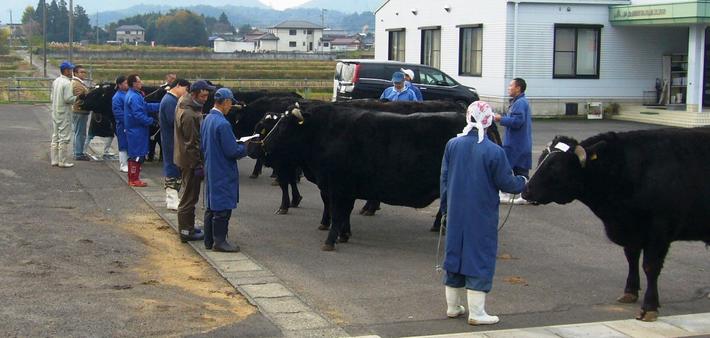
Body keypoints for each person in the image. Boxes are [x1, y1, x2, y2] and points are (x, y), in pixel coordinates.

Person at [440, 101, 527, 326]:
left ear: (468, 118)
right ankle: (476, 313)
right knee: (478, 256)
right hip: (481, 214)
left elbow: (445, 178)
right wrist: (523, 182)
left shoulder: (452, 144)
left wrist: (445, 208)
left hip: (455, 211)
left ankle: (452, 306)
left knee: (454, 255)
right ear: (488, 121)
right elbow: (507, 183)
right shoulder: (494, 151)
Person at [200, 88, 248, 252]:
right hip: (223, 169)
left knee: (211, 205)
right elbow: (232, 151)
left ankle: (209, 240)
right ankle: (220, 242)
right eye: (230, 103)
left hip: (211, 166)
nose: (231, 107)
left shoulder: (207, 119)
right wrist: (245, 147)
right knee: (222, 207)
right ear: (226, 102)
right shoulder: (223, 123)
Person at [174, 80, 213, 242]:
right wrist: (197, 165)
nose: (205, 99)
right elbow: (192, 143)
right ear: (194, 94)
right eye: (203, 96)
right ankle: (185, 231)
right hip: (189, 161)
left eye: (207, 96)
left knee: (190, 194)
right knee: (189, 196)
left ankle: (188, 226)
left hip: (183, 157)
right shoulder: (189, 114)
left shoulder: (184, 103)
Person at [494, 78, 532, 205]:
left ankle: (506, 193)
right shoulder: (518, 102)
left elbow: (517, 122)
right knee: (519, 169)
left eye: (511, 86)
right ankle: (526, 194)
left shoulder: (520, 103)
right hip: (518, 143)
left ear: (518, 88)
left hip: (516, 144)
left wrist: (500, 119)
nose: (509, 88)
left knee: (507, 168)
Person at [124, 74, 160, 187]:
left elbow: (145, 106)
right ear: (134, 83)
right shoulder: (134, 97)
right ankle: (134, 179)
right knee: (137, 155)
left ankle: (133, 178)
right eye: (139, 81)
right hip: (137, 130)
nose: (141, 83)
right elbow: (138, 114)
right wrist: (151, 121)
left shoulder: (134, 95)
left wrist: (160, 105)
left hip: (136, 129)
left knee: (134, 154)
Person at [159, 79, 190, 211]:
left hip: (172, 139)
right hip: (172, 140)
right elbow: (175, 122)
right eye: (186, 89)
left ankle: (173, 197)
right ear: (178, 86)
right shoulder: (170, 101)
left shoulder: (169, 99)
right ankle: (172, 199)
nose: (186, 92)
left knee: (174, 166)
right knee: (173, 167)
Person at [50, 61, 79, 168]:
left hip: (55, 111)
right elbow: (68, 99)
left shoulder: (56, 81)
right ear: (66, 71)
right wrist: (77, 97)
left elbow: (52, 97)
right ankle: (62, 161)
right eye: (70, 69)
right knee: (64, 137)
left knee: (55, 136)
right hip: (64, 113)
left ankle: (54, 160)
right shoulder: (67, 83)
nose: (72, 71)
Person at [71, 65, 91, 161]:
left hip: (80, 111)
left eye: (84, 72)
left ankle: (77, 152)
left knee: (78, 132)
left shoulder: (79, 83)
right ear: (75, 73)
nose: (83, 74)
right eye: (81, 72)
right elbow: (80, 98)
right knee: (80, 133)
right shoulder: (77, 84)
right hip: (79, 111)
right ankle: (78, 153)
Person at [112, 76, 130, 172]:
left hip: (128, 124)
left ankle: (128, 163)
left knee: (128, 144)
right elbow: (118, 113)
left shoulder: (127, 94)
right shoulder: (117, 97)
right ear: (119, 85)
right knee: (123, 144)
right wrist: (127, 122)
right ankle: (123, 164)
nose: (127, 85)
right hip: (122, 124)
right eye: (125, 83)